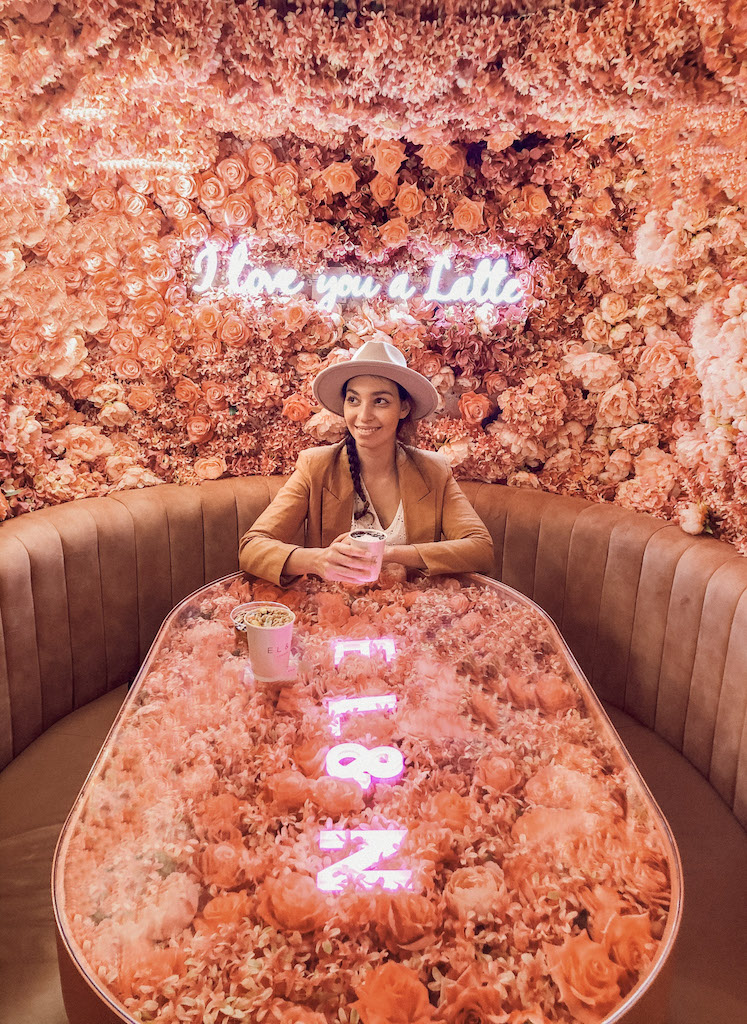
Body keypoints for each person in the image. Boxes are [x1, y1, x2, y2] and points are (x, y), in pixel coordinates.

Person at [239, 339, 494, 585]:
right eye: (353, 400)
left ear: (403, 408)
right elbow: (252, 547)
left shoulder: (433, 470)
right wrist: (317, 560)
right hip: (335, 614)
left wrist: (390, 554)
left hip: (408, 615)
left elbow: (480, 548)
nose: (363, 416)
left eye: (380, 401)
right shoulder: (316, 467)